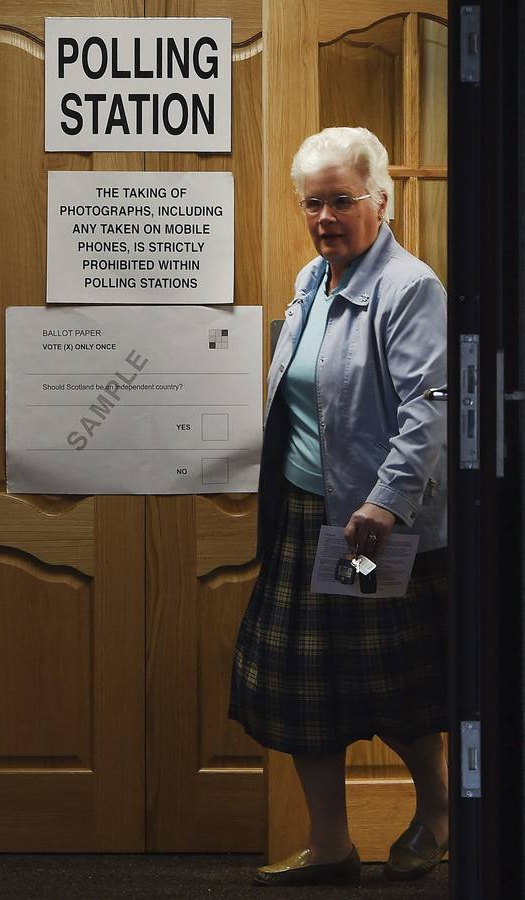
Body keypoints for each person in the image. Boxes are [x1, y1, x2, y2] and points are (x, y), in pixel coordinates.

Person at [228, 126, 448, 885]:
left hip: (366, 525)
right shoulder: (309, 280)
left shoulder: (407, 286)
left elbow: (431, 405)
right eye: (313, 203)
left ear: (378, 201)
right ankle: (330, 846)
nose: (325, 216)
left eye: (341, 201)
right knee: (294, 683)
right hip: (301, 513)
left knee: (392, 680)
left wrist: (385, 503)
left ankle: (437, 812)